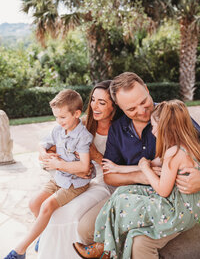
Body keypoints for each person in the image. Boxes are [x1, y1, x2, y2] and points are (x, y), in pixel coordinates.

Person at [75, 72, 200, 259]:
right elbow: (109, 175)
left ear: (148, 90)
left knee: (138, 241)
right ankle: (108, 248)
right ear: (120, 107)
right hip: (139, 192)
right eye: (132, 109)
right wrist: (141, 175)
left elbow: (191, 152)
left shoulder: (170, 118)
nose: (142, 111)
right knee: (86, 228)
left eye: (144, 102)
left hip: (174, 199)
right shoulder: (118, 128)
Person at [37, 80, 122, 259]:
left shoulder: (120, 129)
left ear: (114, 106)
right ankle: (47, 245)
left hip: (108, 183)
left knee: (69, 213)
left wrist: (95, 155)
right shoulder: (84, 123)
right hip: (86, 180)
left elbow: (119, 167)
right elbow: (54, 147)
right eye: (93, 99)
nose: (95, 106)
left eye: (102, 102)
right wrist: (49, 156)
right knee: (50, 208)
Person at [5, 89, 94, 259]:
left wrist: (58, 164)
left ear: (76, 114)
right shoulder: (58, 130)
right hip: (59, 177)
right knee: (33, 204)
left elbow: (83, 167)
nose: (58, 121)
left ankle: (19, 251)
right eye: (56, 117)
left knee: (47, 206)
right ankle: (44, 234)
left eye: (62, 117)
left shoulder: (83, 137)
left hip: (76, 183)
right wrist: (44, 153)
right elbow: (41, 144)